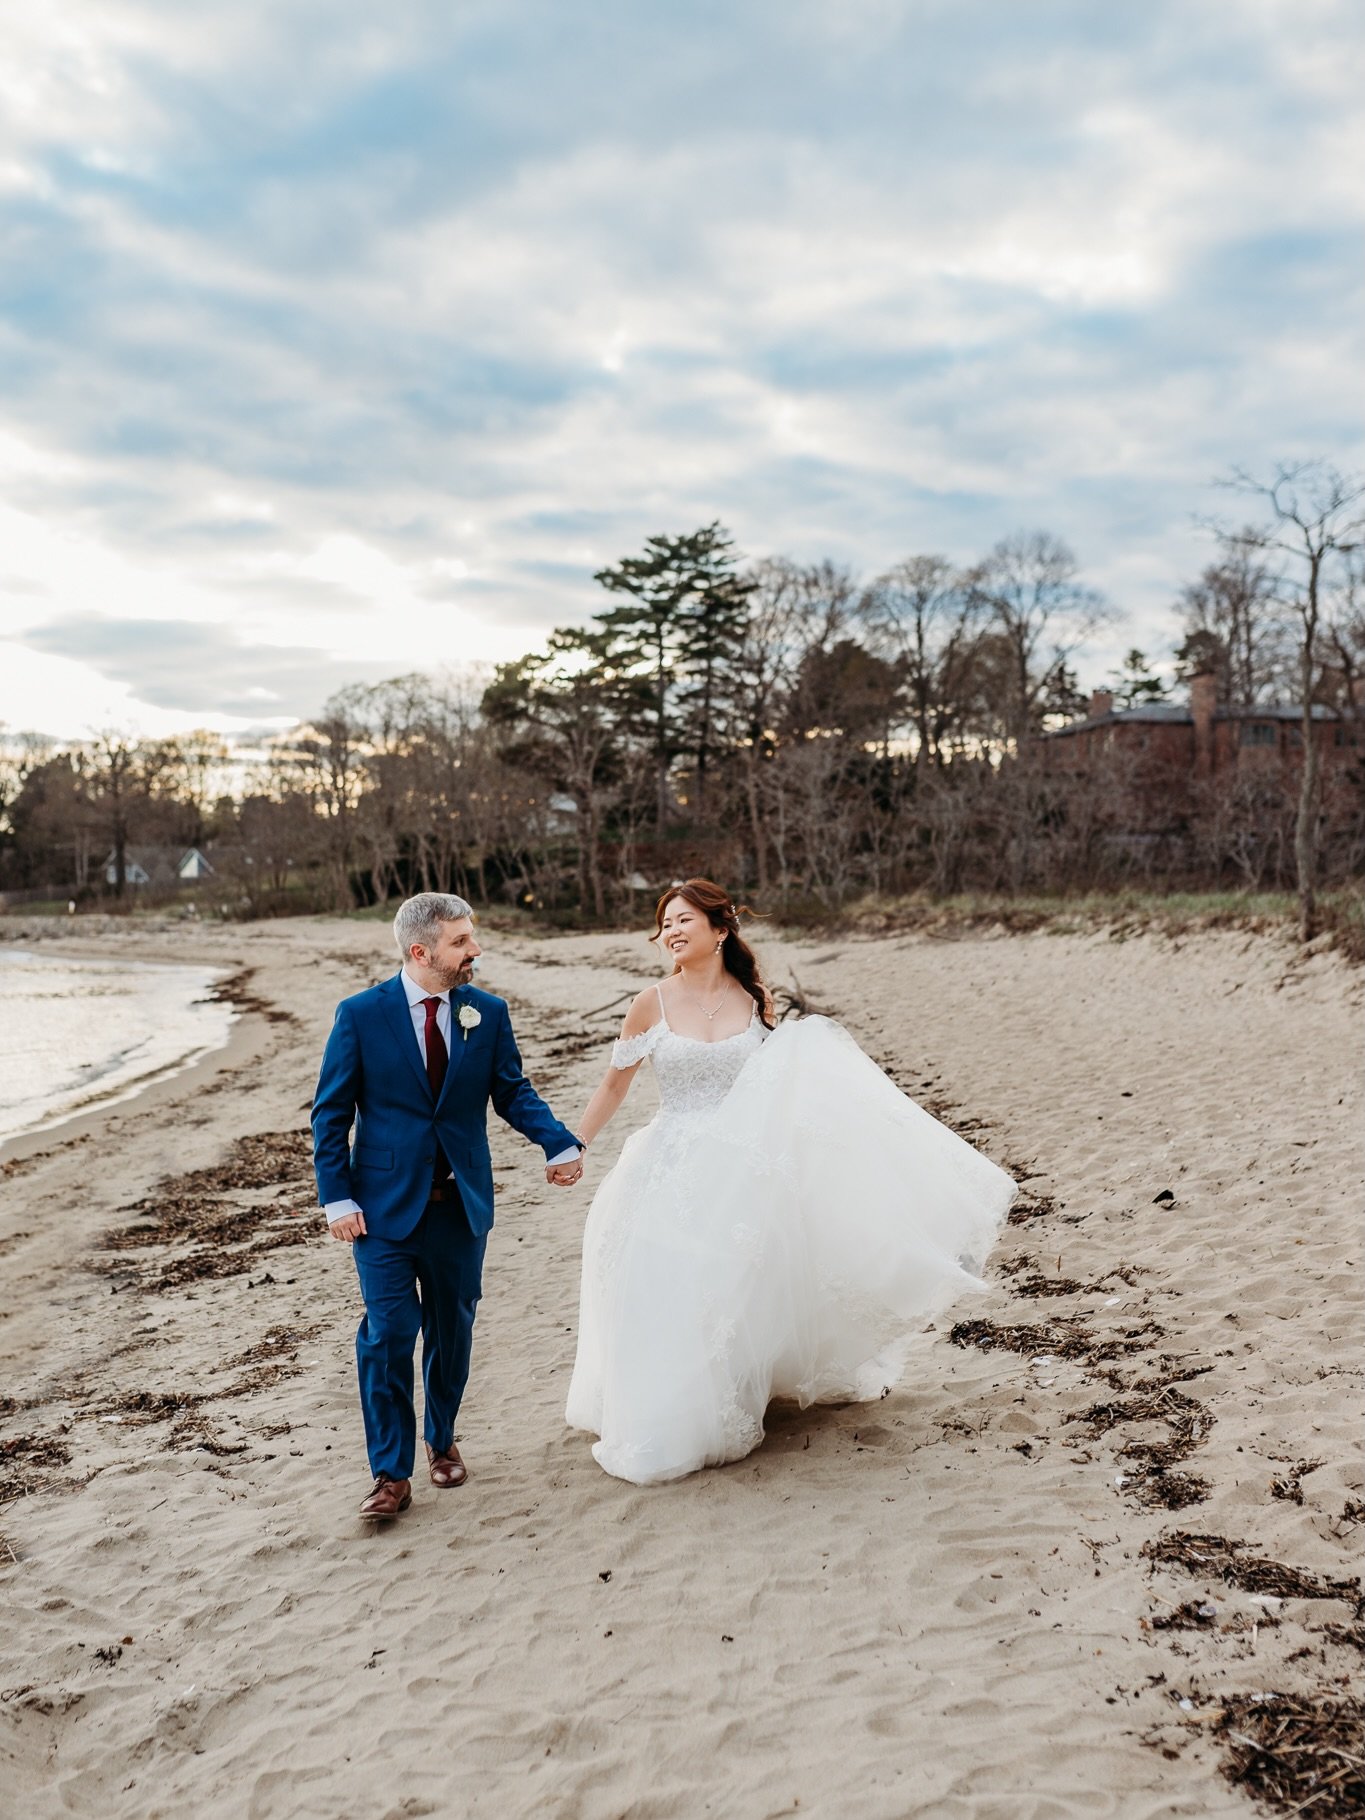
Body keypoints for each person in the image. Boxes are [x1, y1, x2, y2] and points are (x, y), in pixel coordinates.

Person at [564, 878, 1016, 1485]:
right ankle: (674, 1406)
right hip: (670, 1161)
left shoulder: (754, 1002)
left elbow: (782, 1087)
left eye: (683, 921)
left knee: (739, 1280)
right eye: (664, 923)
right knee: (665, 1276)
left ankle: (733, 1386)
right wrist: (577, 1143)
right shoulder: (651, 1002)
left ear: (719, 930)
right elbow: (614, 1084)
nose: (670, 931)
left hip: (741, 1163)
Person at [312, 892, 583, 1520]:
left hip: (459, 1206)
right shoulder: (359, 1015)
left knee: (452, 1329)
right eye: (461, 942)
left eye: (472, 938)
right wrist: (337, 1199)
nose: (475, 951)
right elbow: (331, 1114)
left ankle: (441, 1435)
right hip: (379, 1211)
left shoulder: (485, 1013)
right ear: (421, 951)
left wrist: (557, 1142)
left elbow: (512, 1092)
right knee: (389, 1333)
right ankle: (390, 1474)